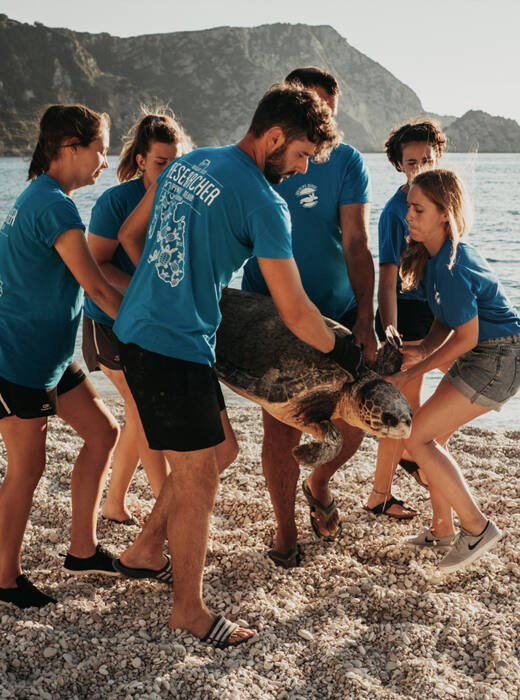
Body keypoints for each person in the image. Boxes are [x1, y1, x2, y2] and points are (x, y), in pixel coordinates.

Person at [111, 82, 359, 648]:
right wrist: (342, 350)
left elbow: (131, 235)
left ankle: (146, 549)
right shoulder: (266, 205)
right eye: (299, 156)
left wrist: (165, 286)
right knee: (199, 478)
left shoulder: (192, 161)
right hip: (172, 346)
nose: (300, 171)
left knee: (222, 451)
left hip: (146, 331)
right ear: (273, 138)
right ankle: (190, 611)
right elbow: (296, 312)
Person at [241, 66, 376, 565]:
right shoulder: (263, 158)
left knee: (357, 420)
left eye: (330, 118)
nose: (322, 129)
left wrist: (366, 318)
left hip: (336, 311)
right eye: (315, 114)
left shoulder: (345, 161)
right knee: (281, 428)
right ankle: (285, 533)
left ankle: (319, 482)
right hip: (272, 316)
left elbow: (357, 240)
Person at [0, 104, 124, 609]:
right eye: (98, 148)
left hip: (51, 357)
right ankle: (4, 580)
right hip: (21, 360)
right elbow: (93, 283)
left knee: (103, 433)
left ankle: (82, 549)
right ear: (68, 148)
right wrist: (146, 330)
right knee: (26, 471)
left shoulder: (35, 197)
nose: (105, 159)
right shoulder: (54, 205)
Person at [390, 169, 520, 573]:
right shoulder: (434, 260)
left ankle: (476, 527)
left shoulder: (452, 264)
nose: (408, 216)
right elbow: (445, 325)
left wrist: (413, 374)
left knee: (416, 437)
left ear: (445, 213)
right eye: (408, 207)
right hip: (486, 353)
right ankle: (443, 527)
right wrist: (416, 350)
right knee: (432, 434)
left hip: (497, 358)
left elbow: (466, 337)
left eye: (418, 209)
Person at [83, 109, 193, 524]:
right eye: (161, 163)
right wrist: (149, 290)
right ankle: (166, 506)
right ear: (142, 160)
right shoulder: (117, 201)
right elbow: (97, 266)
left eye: (176, 163)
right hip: (107, 318)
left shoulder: (182, 202)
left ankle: (113, 505)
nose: (169, 172)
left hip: (153, 324)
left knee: (138, 413)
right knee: (142, 408)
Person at [365, 121, 448, 519]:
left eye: (427, 159)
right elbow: (387, 278)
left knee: (457, 388)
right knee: (403, 410)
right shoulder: (395, 213)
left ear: (439, 157)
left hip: (440, 311)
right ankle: (383, 492)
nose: (420, 167)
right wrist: (391, 330)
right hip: (405, 312)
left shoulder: (448, 202)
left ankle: (417, 455)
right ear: (399, 165)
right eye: (411, 161)